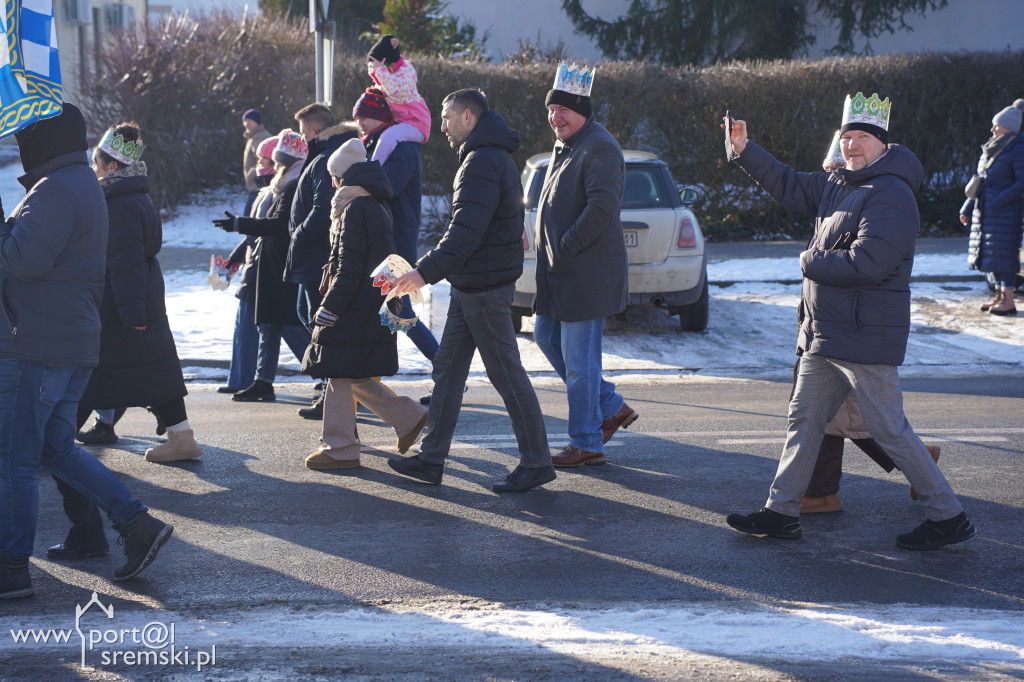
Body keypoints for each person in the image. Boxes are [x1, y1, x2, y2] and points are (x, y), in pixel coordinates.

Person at [723, 92, 975, 550]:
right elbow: (788, 184)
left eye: (861, 137)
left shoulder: (891, 194)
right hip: (827, 333)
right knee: (804, 420)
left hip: (863, 335)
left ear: (882, 143)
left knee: (889, 429)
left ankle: (948, 515)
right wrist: (744, 149)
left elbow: (868, 264)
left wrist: (809, 260)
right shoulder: (839, 183)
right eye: (846, 137)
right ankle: (781, 512)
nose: (851, 145)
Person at [0, 104, 172, 599]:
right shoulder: (77, 184)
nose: (18, 148)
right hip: (66, 343)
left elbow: (20, 260)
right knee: (55, 449)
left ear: (44, 145)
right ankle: (136, 524)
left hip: (36, 346)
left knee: (15, 459)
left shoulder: (56, 190)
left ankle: (11, 568)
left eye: (24, 140)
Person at [388, 89, 555, 493]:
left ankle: (536, 462)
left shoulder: (481, 161)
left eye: (445, 118)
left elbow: (465, 233)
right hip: (472, 284)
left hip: (484, 288)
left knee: (506, 375)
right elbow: (465, 230)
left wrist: (423, 273)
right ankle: (431, 459)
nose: (440, 127)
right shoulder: (485, 156)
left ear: (468, 116)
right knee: (447, 370)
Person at [73, 121, 202, 464]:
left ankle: (50, 442)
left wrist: (133, 316)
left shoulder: (120, 204)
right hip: (136, 303)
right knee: (150, 374)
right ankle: (182, 437)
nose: (93, 168)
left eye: (96, 163)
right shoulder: (134, 196)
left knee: (95, 375)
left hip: (124, 308)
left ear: (112, 166)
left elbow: (125, 263)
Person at [533, 62, 638, 468]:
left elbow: (602, 208)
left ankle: (586, 441)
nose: (555, 117)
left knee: (579, 364)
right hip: (562, 272)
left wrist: (565, 246)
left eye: (563, 110)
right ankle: (611, 405)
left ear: (582, 110)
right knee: (546, 338)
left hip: (585, 273)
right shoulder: (570, 144)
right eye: (551, 110)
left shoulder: (600, 146)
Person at [299, 139, 428, 470]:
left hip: (354, 305)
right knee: (348, 373)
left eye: (333, 176)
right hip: (363, 303)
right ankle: (408, 418)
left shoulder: (356, 207)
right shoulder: (369, 203)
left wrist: (330, 306)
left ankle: (341, 447)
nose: (330, 183)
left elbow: (349, 266)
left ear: (343, 176)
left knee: (338, 370)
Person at [215, 130, 312, 402]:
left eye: (276, 161)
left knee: (287, 325)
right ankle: (261, 381)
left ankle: (330, 376)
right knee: (269, 326)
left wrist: (238, 224)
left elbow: (277, 227)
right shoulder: (278, 188)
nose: (272, 166)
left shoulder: (292, 187)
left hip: (277, 268)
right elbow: (255, 237)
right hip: (265, 268)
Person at [352, 87, 439, 367]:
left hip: (395, 245)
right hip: (381, 243)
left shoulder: (401, 146)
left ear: (382, 116)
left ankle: (446, 371)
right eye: (357, 117)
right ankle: (364, 384)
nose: (360, 122)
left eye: (366, 116)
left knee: (400, 313)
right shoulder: (376, 144)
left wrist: (354, 181)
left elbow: (386, 186)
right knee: (386, 314)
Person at [286, 103, 359, 419]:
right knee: (311, 319)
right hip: (314, 256)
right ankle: (337, 387)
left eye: (303, 132)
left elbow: (321, 209)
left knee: (320, 324)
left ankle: (340, 392)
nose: (302, 138)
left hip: (317, 256)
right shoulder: (324, 154)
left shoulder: (325, 158)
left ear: (315, 130)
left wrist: (297, 235)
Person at [218, 134, 278, 395]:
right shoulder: (265, 194)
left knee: (287, 331)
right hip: (255, 269)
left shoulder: (278, 194)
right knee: (251, 328)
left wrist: (232, 262)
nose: (258, 165)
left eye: (264, 159)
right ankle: (242, 380)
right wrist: (231, 264)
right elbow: (251, 238)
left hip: (266, 271)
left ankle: (327, 380)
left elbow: (261, 231)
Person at [961, 101, 1024, 316]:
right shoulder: (992, 147)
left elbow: (1021, 182)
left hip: (1006, 212)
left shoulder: (1018, 149)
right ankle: (999, 296)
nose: (992, 129)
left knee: (1005, 256)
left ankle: (1008, 300)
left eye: (996, 125)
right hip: (987, 212)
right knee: (992, 256)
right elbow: (980, 181)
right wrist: (967, 207)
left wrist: (999, 200)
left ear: (1008, 127)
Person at [366, 34, 430, 165]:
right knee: (376, 135)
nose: (374, 70)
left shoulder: (406, 72)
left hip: (416, 122)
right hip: (403, 122)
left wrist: (380, 70)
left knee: (388, 137)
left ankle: (374, 167)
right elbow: (383, 87)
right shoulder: (390, 75)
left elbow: (395, 90)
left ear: (386, 63)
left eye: (376, 66)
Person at [242, 108, 271, 217]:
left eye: (249, 121)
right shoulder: (254, 136)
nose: (246, 124)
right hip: (256, 185)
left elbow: (265, 160)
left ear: (257, 122)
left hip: (258, 185)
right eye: (245, 121)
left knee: (249, 220)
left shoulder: (260, 137)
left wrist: (252, 174)